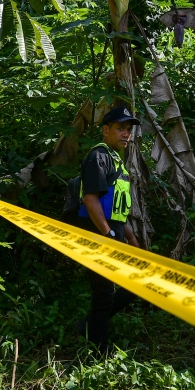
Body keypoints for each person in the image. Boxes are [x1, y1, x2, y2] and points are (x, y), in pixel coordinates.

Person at [73, 105, 141, 352]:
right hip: (97, 235)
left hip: (113, 235)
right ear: (106, 130)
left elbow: (118, 210)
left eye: (128, 130)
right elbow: (90, 199)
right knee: (103, 293)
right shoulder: (98, 157)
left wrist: (131, 238)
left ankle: (88, 326)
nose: (126, 134)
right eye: (120, 128)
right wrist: (108, 234)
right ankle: (99, 350)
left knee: (135, 285)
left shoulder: (116, 161)